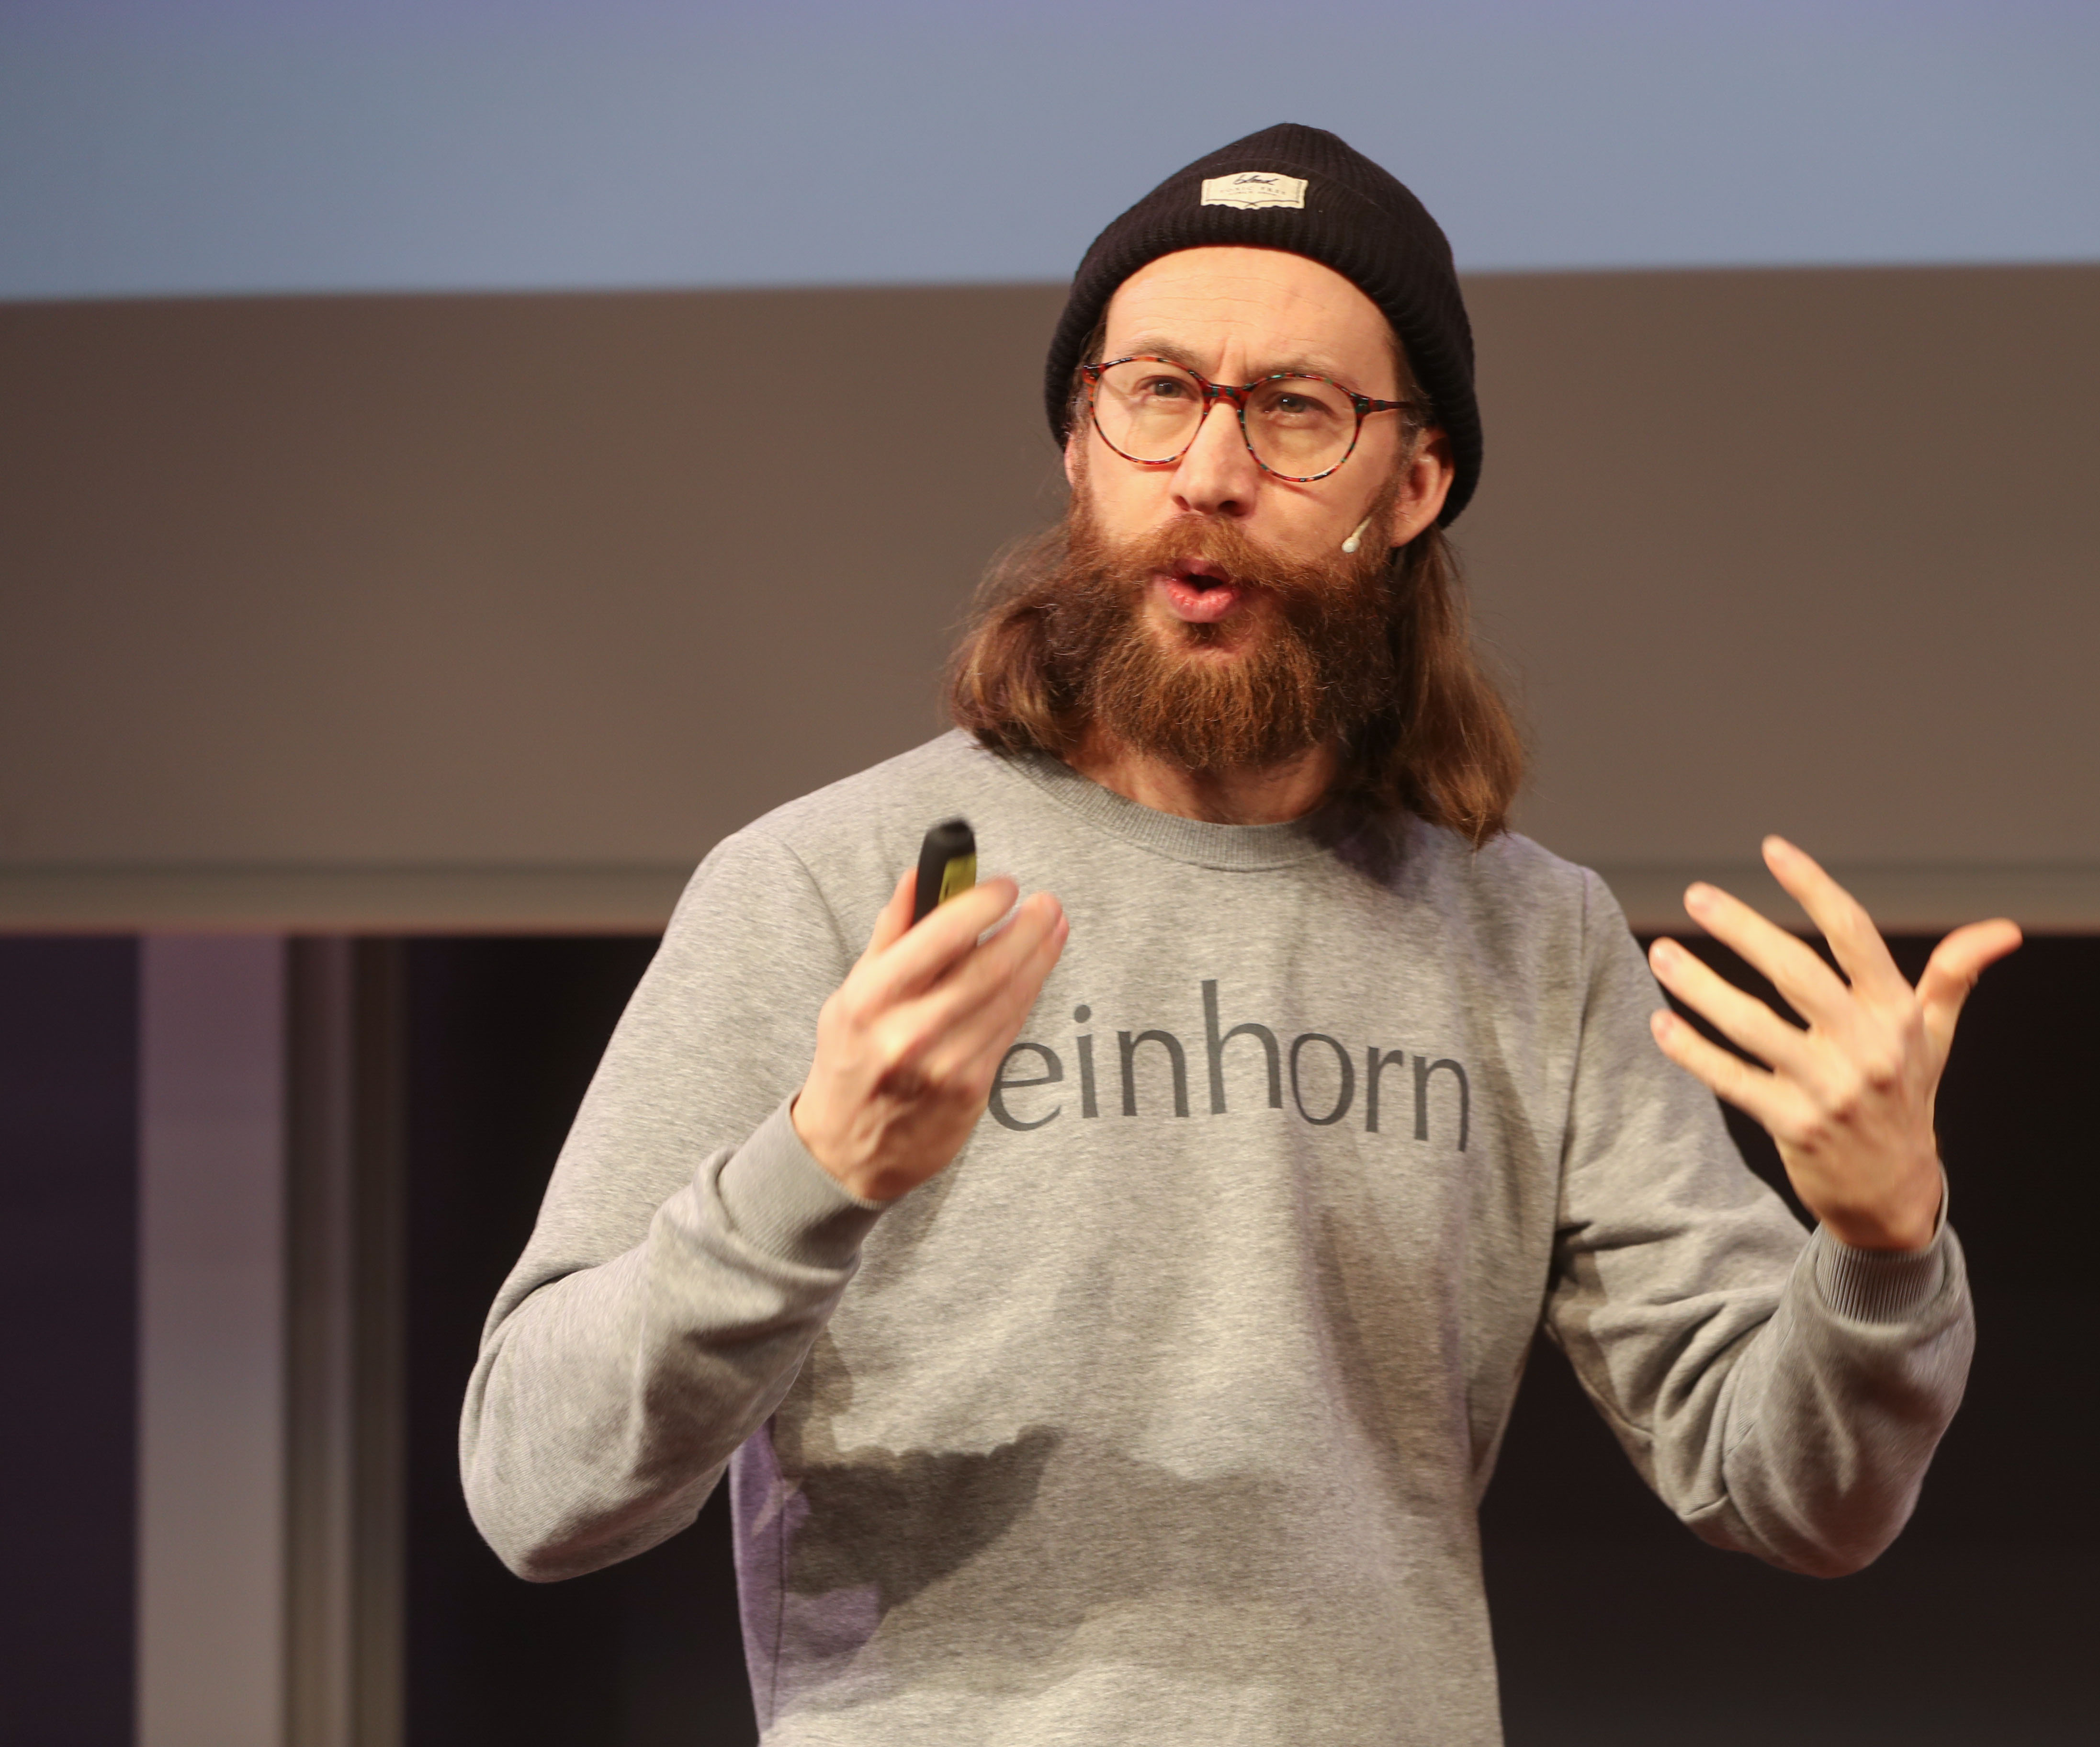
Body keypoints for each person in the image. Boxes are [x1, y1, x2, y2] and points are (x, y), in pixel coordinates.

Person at [463, 124, 2021, 1745]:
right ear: (1082, 445)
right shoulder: (817, 885)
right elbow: (533, 1484)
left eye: (1295, 411)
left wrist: (1883, 1248)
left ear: (1413, 485)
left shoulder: (1527, 938)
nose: (1209, 472)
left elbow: (1799, 1499)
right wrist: (815, 1169)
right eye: (1156, 394)